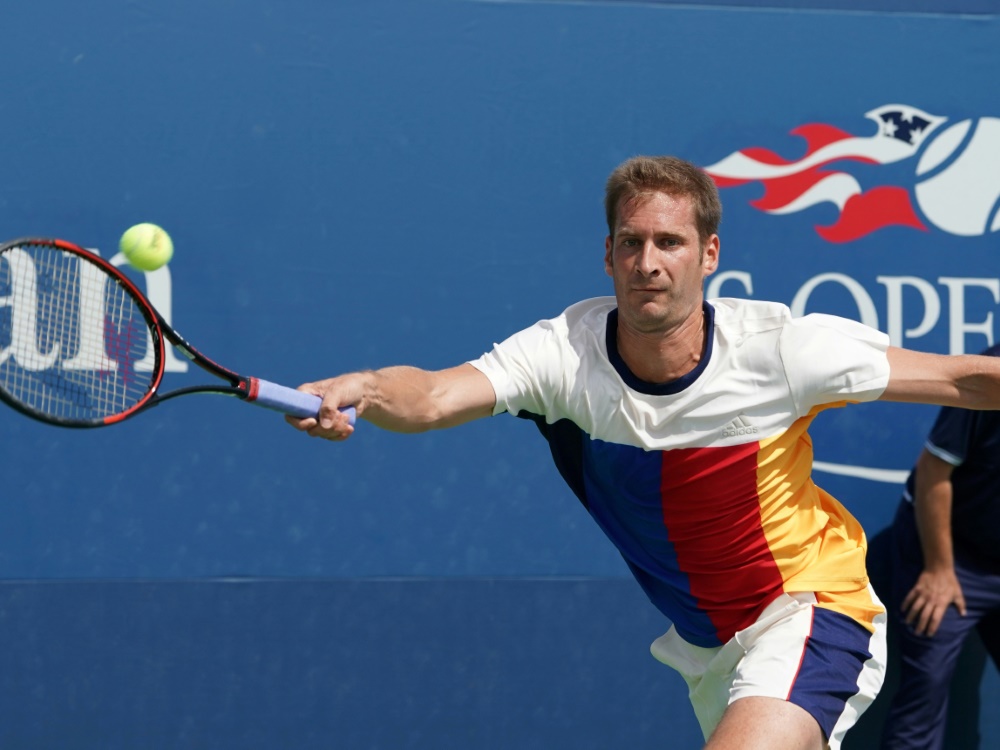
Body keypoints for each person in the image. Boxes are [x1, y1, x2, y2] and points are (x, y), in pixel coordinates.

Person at [286, 156, 1000, 750]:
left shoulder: (782, 350)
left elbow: (960, 377)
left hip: (812, 606)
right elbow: (437, 397)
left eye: (670, 243)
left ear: (709, 254)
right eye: (631, 243)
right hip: (708, 646)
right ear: (607, 255)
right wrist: (368, 389)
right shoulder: (563, 354)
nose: (648, 262)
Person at [880, 344, 1000, 750]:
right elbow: (934, 470)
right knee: (925, 690)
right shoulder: (991, 372)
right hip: (950, 557)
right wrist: (939, 570)